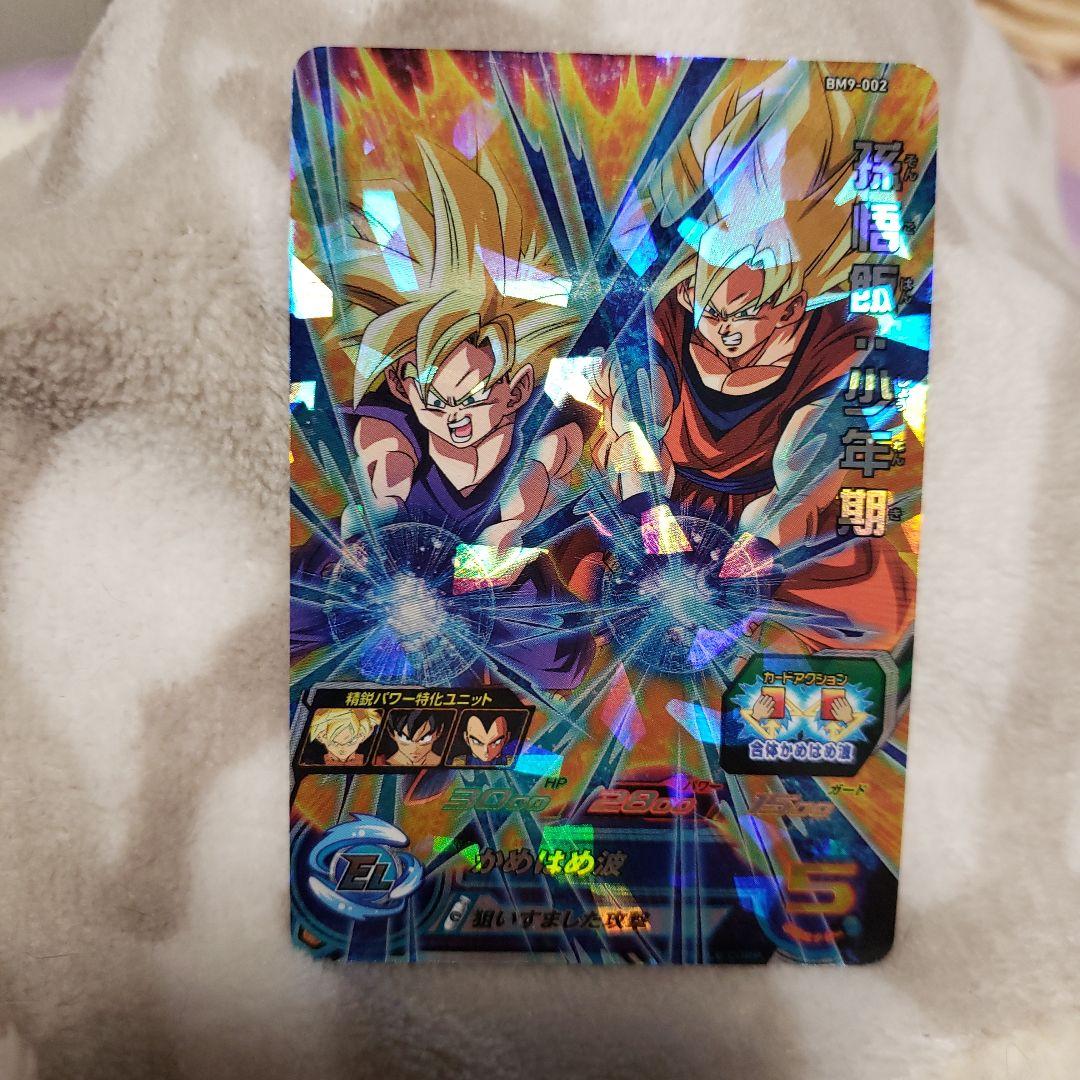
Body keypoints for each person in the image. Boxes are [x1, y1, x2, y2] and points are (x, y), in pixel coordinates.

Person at [593, 61, 915, 652]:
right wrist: (651, 520)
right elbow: (634, 425)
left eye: (740, 317)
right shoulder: (668, 320)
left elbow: (809, 470)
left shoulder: (835, 346)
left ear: (788, 310)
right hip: (663, 503)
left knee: (876, 611)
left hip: (774, 521)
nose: (720, 330)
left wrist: (758, 548)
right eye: (709, 311)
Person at [331, 140, 595, 690]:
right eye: (435, 400)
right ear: (405, 385)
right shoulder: (388, 429)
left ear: (516, 390)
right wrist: (373, 550)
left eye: (472, 398)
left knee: (561, 657)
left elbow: (511, 523)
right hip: (392, 568)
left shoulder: (544, 433)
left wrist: (464, 582)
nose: (453, 417)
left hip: (486, 579)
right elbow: (381, 486)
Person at [307, 707, 381, 765]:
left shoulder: (375, 760)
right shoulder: (311, 762)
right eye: (335, 743)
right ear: (320, 737)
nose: (342, 748)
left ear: (362, 736)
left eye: (350, 742)